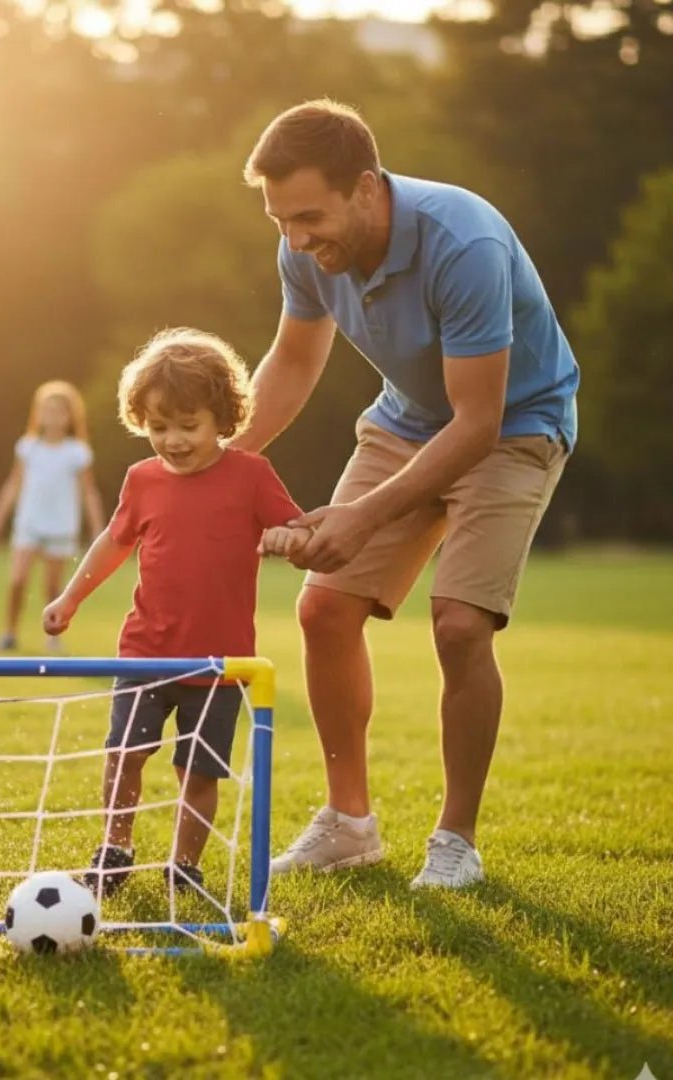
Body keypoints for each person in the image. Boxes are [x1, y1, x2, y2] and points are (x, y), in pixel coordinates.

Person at [239, 99, 579, 889]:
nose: (294, 239)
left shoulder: (463, 242)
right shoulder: (304, 252)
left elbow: (477, 422)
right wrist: (222, 461)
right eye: (279, 220)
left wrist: (362, 516)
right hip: (407, 417)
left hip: (515, 423)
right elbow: (291, 365)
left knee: (460, 625)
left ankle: (455, 841)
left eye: (309, 216)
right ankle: (349, 824)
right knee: (324, 609)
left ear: (366, 187)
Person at [42, 329, 304, 897]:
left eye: (189, 426)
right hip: (145, 653)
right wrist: (70, 598)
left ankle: (184, 866)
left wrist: (288, 538)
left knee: (198, 771)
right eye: (159, 427)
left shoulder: (252, 475)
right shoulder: (142, 480)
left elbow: (296, 530)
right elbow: (113, 542)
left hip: (218, 664)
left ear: (223, 418)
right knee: (124, 756)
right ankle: (114, 849)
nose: (174, 441)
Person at [0, 380, 105, 655]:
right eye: (47, 410)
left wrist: (98, 527)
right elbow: (13, 483)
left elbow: (89, 492)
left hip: (61, 525)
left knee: (53, 588)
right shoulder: (27, 447)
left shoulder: (77, 452)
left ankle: (53, 637)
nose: (52, 416)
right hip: (30, 523)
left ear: (69, 417)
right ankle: (9, 634)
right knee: (17, 580)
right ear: (38, 414)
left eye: (59, 411)